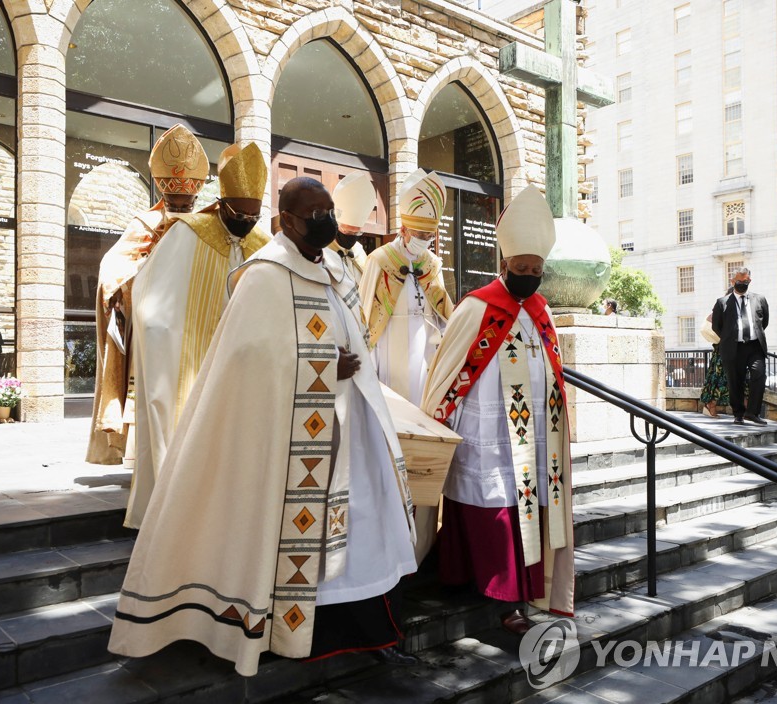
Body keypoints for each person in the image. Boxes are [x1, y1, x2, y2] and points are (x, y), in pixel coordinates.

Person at [109, 177, 418, 675]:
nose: (326, 220)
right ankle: (283, 628)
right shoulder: (266, 275)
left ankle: (359, 627)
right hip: (288, 440)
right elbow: (249, 359)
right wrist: (321, 366)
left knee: (359, 530)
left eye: (329, 210)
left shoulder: (334, 267)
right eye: (314, 212)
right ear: (288, 220)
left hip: (347, 430)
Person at [421, 186, 574, 634]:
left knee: (520, 504)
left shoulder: (543, 311)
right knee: (486, 501)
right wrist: (440, 417)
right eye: (521, 268)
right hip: (485, 427)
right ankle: (472, 581)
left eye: (536, 270)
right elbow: (449, 369)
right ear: (503, 265)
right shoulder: (476, 307)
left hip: (533, 434)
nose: (528, 276)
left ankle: (511, 598)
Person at [125, 140, 271, 529]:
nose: (246, 222)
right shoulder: (187, 233)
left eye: (254, 215)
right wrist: (167, 342)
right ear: (221, 203)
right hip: (192, 361)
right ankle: (177, 517)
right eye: (240, 213)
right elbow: (150, 300)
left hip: (242, 368)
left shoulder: (264, 245)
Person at [86, 124, 203, 466]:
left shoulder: (207, 225)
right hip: (152, 323)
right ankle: (146, 459)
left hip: (194, 321)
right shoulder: (144, 224)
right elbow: (113, 266)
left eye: (188, 202)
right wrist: (140, 272)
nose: (181, 207)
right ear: (163, 195)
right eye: (174, 201)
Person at [360, 168, 453, 404]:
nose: (425, 241)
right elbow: (366, 318)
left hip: (425, 352)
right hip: (389, 349)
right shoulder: (380, 260)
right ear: (403, 230)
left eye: (429, 236)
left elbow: (443, 314)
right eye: (420, 235)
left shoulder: (431, 264)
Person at [711, 268, 769, 425]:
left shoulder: (760, 299)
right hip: (733, 347)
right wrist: (731, 336)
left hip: (755, 346)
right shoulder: (722, 303)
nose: (742, 284)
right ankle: (738, 414)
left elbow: (764, 322)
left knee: (759, 375)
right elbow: (717, 326)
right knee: (735, 381)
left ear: (749, 281)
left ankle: (752, 413)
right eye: (739, 281)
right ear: (732, 282)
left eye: (746, 282)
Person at [329, 171, 375, 287]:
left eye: (357, 232)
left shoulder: (358, 251)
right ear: (336, 224)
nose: (352, 236)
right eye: (348, 231)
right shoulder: (323, 250)